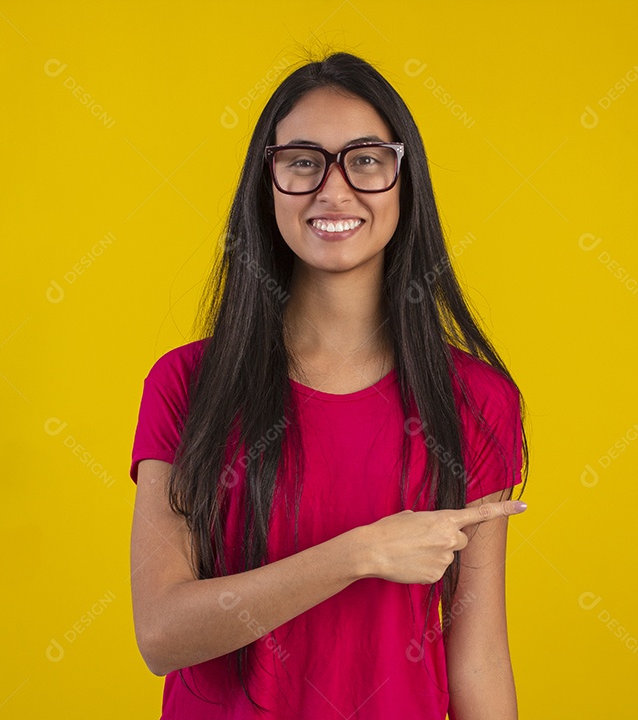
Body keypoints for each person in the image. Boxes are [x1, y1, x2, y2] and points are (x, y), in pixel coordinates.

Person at [129, 50, 529, 719]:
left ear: (405, 180)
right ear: (269, 182)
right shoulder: (187, 384)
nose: (334, 189)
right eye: (303, 161)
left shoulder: (476, 401)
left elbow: (479, 654)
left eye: (366, 158)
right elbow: (162, 634)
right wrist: (362, 552)